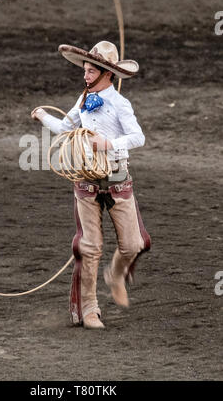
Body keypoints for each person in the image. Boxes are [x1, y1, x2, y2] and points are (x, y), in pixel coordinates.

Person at [31, 41, 151, 330]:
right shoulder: (83, 100)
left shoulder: (121, 104)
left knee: (132, 244)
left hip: (117, 180)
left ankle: (116, 275)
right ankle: (89, 309)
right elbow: (66, 128)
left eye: (90, 71)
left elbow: (138, 137)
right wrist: (43, 116)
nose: (85, 76)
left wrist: (108, 143)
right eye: (84, 70)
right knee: (90, 248)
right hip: (86, 183)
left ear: (106, 74)